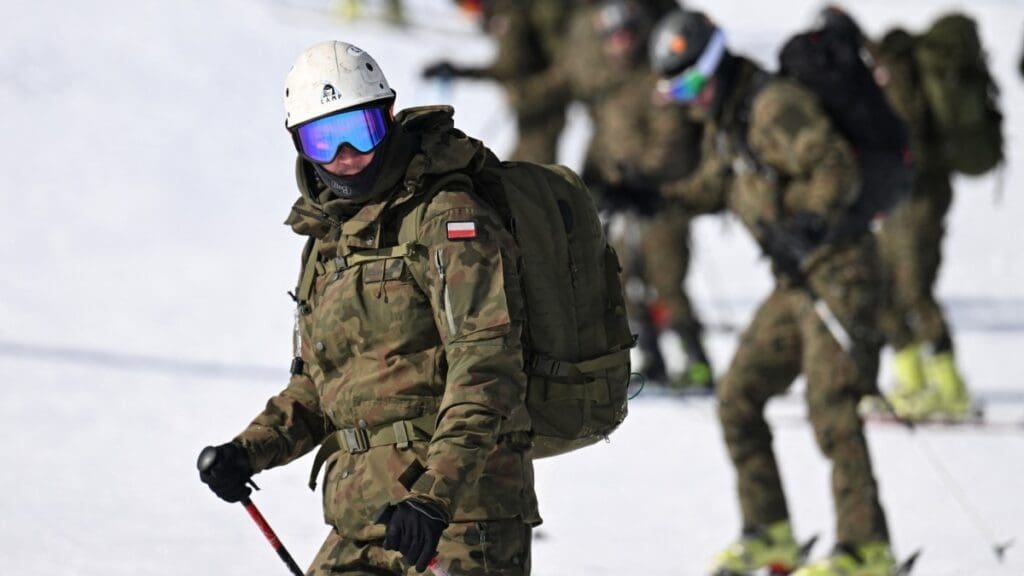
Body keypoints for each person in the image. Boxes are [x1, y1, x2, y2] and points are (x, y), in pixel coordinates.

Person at [198, 41, 538, 575]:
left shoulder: (447, 219)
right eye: (325, 140)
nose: (347, 155)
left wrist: (433, 496)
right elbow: (321, 385)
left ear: (390, 118)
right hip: (365, 515)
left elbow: (486, 370)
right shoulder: (330, 243)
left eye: (363, 130)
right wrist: (250, 450)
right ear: (300, 146)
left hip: (463, 516)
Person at [649, 9, 895, 575]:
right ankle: (771, 533)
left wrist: (801, 218)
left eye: (687, 85)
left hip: (841, 269)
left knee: (831, 405)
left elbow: (835, 169)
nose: (684, 100)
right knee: (738, 394)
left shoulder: (772, 106)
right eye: (672, 91)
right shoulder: (729, 118)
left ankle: (867, 550)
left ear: (711, 66)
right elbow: (719, 185)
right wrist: (651, 196)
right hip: (798, 280)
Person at [518, 0, 712, 389]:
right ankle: (653, 355)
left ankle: (697, 361)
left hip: (660, 198)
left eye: (627, 34)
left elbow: (670, 141)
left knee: (667, 279)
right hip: (625, 199)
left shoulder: (654, 82)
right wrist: (596, 181)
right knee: (624, 276)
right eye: (613, 36)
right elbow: (604, 141)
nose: (620, 43)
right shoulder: (605, 87)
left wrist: (642, 178)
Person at [818, 5, 977, 421]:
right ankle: (913, 380)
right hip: (896, 199)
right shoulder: (871, 73)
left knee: (913, 292)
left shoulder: (888, 71)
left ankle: (950, 387)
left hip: (917, 198)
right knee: (887, 291)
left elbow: (905, 136)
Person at [422, 1, 572, 163]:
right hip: (536, 108)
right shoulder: (508, 12)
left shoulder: (507, 16)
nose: (470, 13)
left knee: (531, 175)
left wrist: (459, 72)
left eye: (469, 6)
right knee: (524, 173)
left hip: (541, 109)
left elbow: (508, 67)